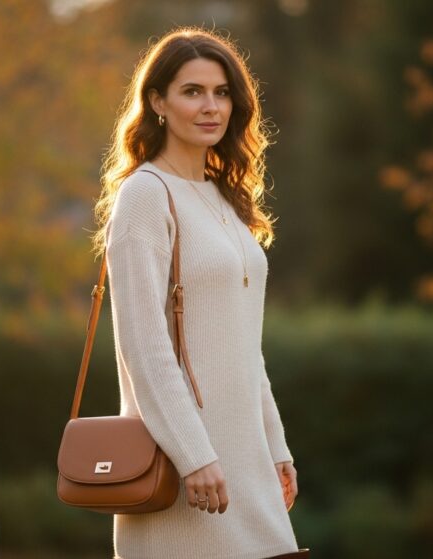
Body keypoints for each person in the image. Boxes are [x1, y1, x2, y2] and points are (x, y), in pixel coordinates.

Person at [91, 26, 309, 559]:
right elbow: (144, 349)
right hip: (187, 469)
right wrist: (194, 456)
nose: (211, 106)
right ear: (157, 101)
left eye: (221, 92)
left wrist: (275, 446)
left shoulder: (224, 198)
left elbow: (244, 348)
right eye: (192, 91)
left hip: (246, 462)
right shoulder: (145, 195)